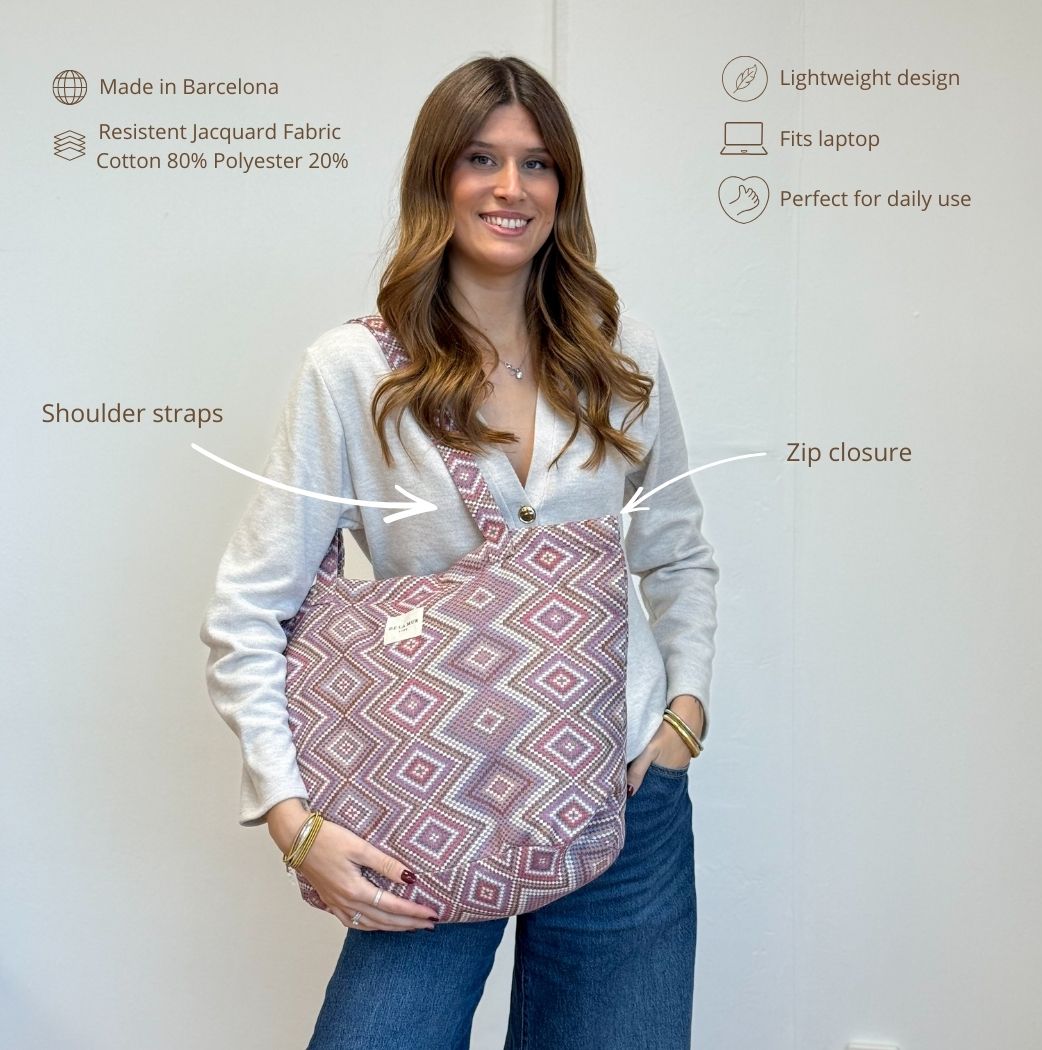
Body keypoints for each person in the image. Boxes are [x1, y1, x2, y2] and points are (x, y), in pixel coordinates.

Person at [200, 54, 718, 1050]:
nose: (510, 187)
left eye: (537, 163)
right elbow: (250, 608)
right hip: (434, 794)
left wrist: (683, 715)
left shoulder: (622, 357)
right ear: (436, 177)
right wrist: (291, 819)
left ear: (563, 188)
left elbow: (677, 551)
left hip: (625, 790)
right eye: (481, 158)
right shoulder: (354, 370)